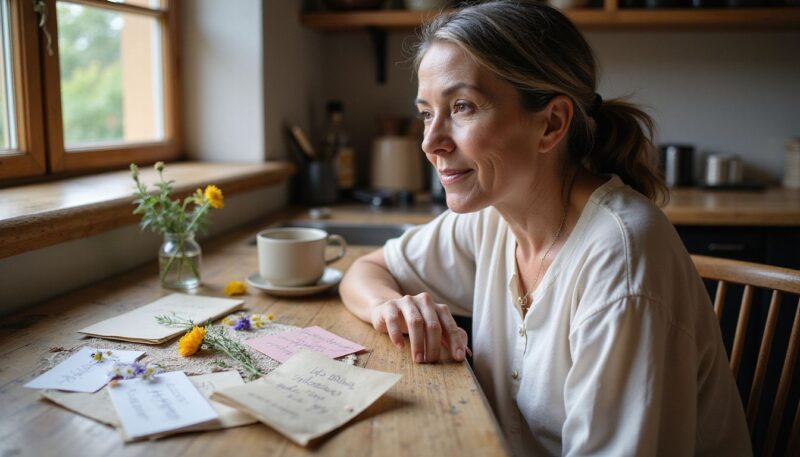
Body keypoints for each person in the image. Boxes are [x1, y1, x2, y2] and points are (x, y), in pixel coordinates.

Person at [339, 1, 750, 455]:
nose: (430, 141)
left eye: (462, 107)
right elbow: (367, 270)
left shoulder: (621, 260)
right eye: (425, 113)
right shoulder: (494, 216)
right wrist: (391, 308)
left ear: (552, 123)